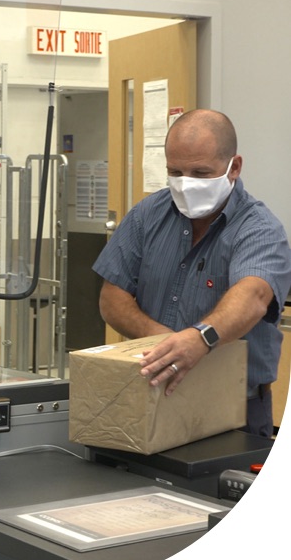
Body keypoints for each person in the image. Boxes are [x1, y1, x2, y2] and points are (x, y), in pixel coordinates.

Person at [93, 109, 291, 438]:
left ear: (234, 168)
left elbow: (253, 296)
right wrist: (167, 344)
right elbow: (112, 297)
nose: (187, 184)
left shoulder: (259, 229)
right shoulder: (147, 215)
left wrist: (200, 339)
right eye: (176, 172)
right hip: (154, 393)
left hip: (233, 407)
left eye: (200, 173)